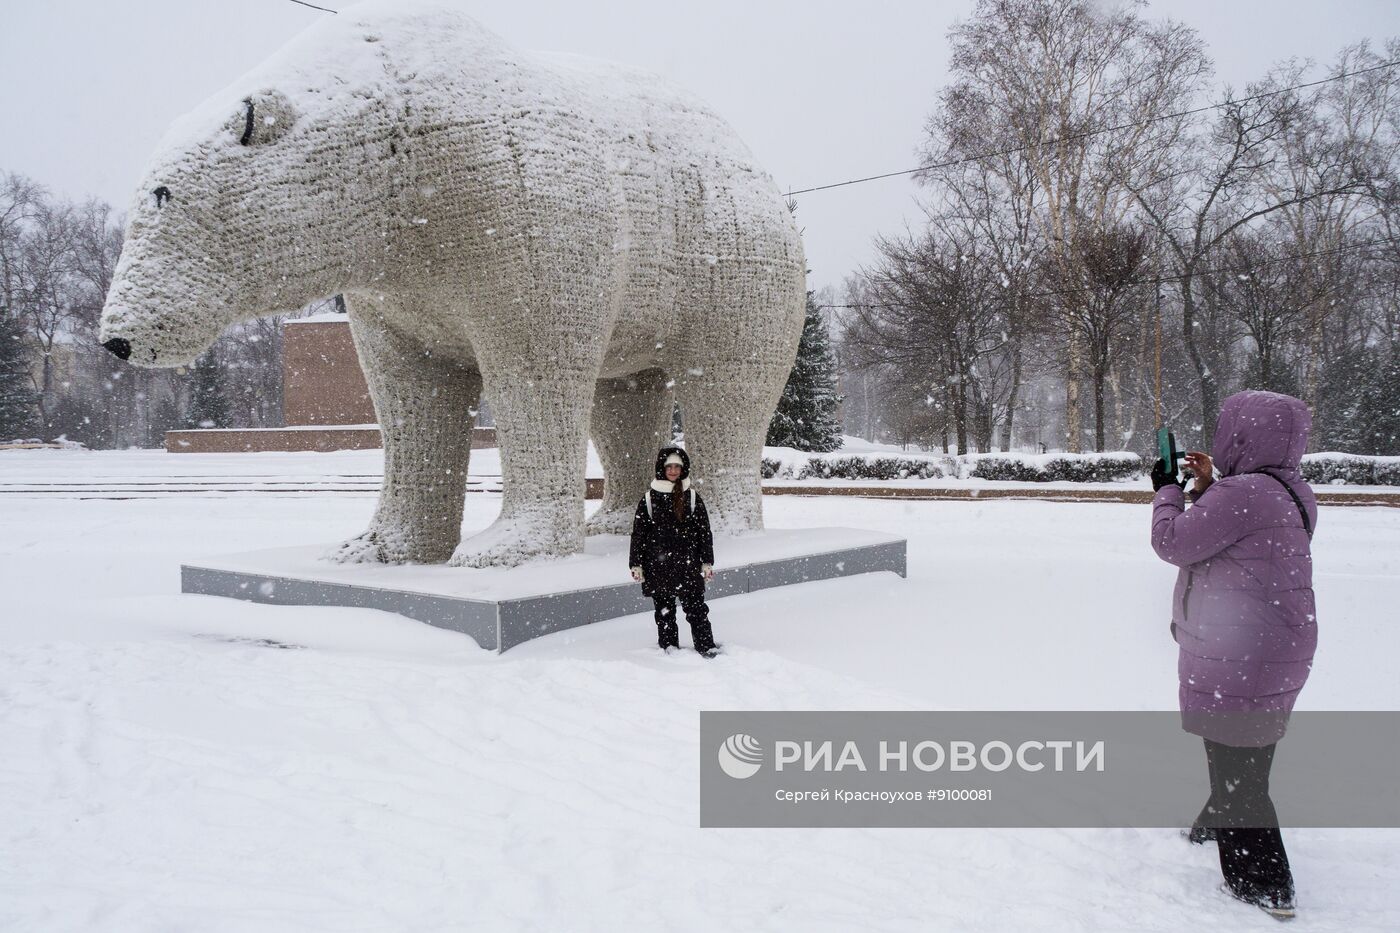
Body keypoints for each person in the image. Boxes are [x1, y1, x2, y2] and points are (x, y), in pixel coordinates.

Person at [1149, 390, 1318, 921]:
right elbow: (1246, 534)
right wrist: (1210, 488)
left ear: (1239, 434)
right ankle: (1212, 823)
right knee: (1244, 749)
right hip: (1278, 643)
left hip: (1241, 649)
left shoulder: (1241, 495)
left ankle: (1265, 885)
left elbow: (1173, 542)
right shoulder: (1291, 491)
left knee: (1239, 769)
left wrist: (1167, 491)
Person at [628, 446, 720, 657]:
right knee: (665, 612)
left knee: (697, 609)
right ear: (662, 468)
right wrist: (636, 564)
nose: (672, 470)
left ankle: (706, 647)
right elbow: (639, 534)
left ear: (683, 468)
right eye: (669, 466)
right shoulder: (649, 498)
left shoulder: (693, 497)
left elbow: (704, 533)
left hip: (688, 564)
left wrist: (707, 562)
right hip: (658, 566)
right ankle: (669, 649)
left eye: (677, 466)